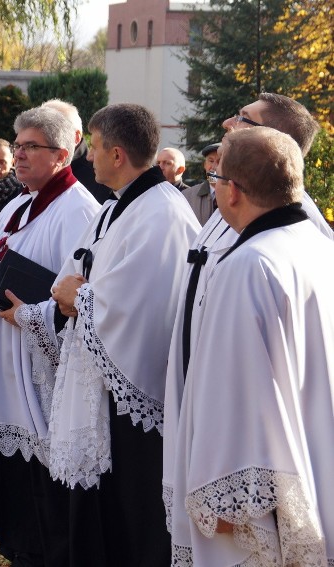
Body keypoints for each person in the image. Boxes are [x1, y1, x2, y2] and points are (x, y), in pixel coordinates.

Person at [20, 103, 199, 566]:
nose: (89, 157)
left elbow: (145, 305)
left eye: (95, 148)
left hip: (135, 393)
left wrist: (79, 298)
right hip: (100, 380)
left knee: (133, 515)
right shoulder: (117, 207)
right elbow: (82, 270)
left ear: (117, 154)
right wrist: (70, 295)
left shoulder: (163, 213)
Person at [161, 93, 334, 566]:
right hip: (307, 458)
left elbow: (239, 392)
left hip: (255, 491)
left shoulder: (251, 264)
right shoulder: (312, 246)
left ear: (233, 190)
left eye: (216, 178)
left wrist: (224, 497)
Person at [0, 106, 99, 566]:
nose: (18, 155)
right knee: (8, 476)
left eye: (30, 147)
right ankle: (17, 549)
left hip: (41, 369)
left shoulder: (81, 210)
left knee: (41, 483)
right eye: (17, 145)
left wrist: (31, 315)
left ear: (62, 155)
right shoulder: (17, 203)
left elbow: (79, 294)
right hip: (2, 357)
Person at [41, 99, 113, 204]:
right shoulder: (33, 172)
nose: (41, 139)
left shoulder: (101, 179)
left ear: (76, 137)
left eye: (51, 132)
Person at [181, 142, 220, 225]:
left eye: (219, 162)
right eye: (211, 161)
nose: (214, 167)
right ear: (205, 165)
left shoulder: (239, 196)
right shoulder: (187, 196)